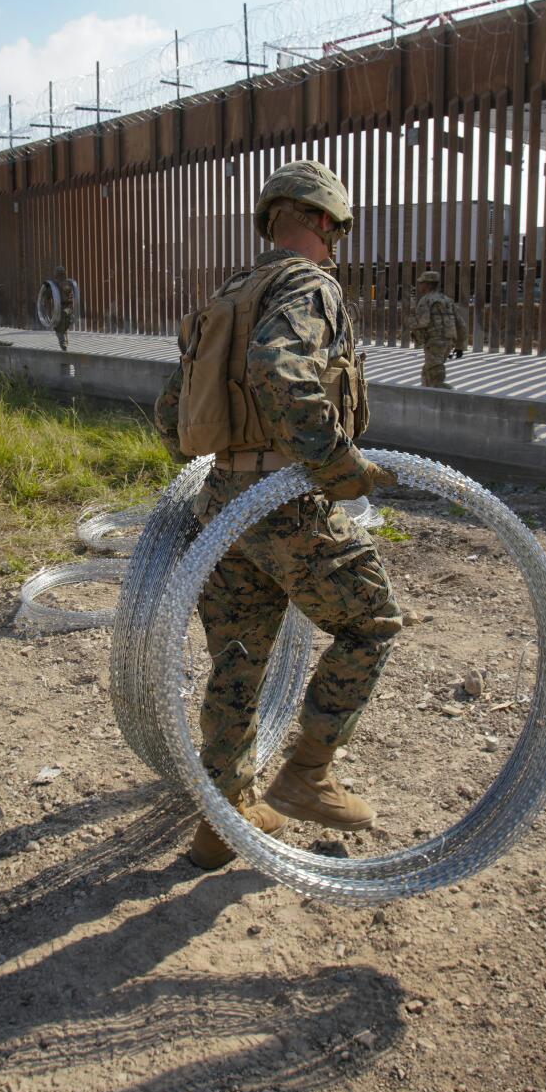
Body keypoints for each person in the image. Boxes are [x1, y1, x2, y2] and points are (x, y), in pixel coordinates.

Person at [152, 159, 405, 871]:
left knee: (237, 661)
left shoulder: (230, 294)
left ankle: (219, 820)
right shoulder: (308, 285)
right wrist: (336, 466)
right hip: (287, 503)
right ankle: (309, 774)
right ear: (325, 220)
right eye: (336, 231)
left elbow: (171, 416)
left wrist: (232, 460)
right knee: (372, 623)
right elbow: (278, 367)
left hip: (224, 506)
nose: (335, 246)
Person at [407, 269, 470, 388]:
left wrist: (411, 321)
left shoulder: (426, 300)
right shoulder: (447, 300)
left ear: (427, 284)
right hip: (449, 341)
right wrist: (460, 346)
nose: (420, 285)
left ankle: (449, 397)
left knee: (435, 376)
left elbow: (423, 322)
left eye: (422, 283)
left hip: (435, 341)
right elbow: (460, 324)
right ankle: (426, 397)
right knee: (428, 372)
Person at [50, 267, 75, 351]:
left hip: (65, 307)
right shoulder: (54, 284)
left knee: (62, 323)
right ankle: (62, 341)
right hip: (61, 307)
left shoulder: (65, 283)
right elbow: (47, 295)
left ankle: (62, 341)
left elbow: (69, 292)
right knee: (59, 324)